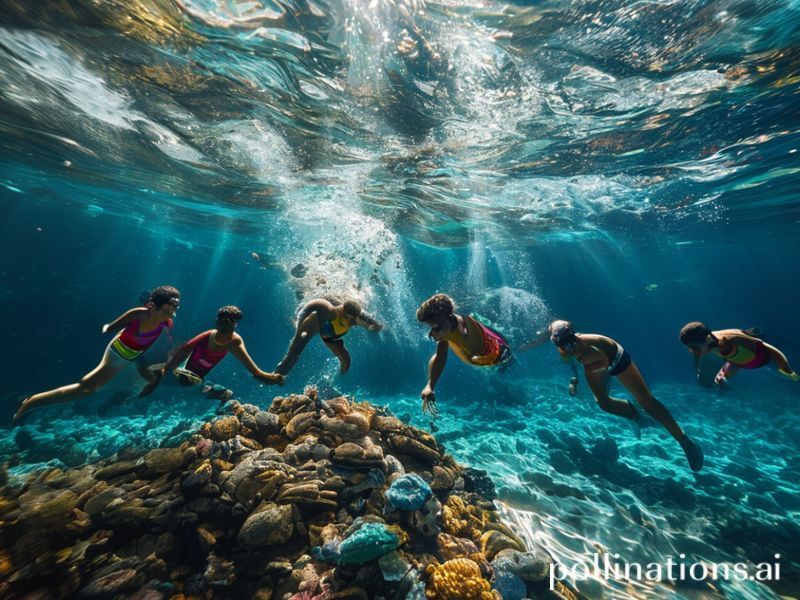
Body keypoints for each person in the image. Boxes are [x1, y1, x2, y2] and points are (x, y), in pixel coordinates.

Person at [548, 320, 704, 472]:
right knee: (604, 403)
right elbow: (562, 334)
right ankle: (639, 417)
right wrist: (575, 377)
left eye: (570, 343)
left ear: (573, 337)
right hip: (593, 364)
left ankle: (685, 441)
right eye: (563, 345)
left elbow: (602, 362)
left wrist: (587, 371)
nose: (569, 347)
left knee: (646, 399)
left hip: (616, 358)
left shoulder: (588, 348)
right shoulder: (563, 341)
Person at [13, 285, 181, 423]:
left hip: (135, 353)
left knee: (150, 378)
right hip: (119, 353)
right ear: (153, 306)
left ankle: (123, 396)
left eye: (176, 306)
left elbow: (160, 341)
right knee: (87, 389)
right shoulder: (141, 314)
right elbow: (117, 325)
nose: (174, 310)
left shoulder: (167, 322)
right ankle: (31, 402)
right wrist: (108, 328)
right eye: (170, 306)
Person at [416, 294, 513, 418]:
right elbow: (440, 357)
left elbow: (466, 321)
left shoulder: (465, 324)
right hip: (484, 358)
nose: (430, 334)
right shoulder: (447, 331)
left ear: (445, 319)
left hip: (501, 354)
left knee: (507, 363)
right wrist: (430, 386)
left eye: (434, 328)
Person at [150, 305, 284, 393]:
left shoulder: (234, 343)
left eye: (228, 324)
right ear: (217, 322)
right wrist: (166, 368)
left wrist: (272, 378)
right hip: (182, 372)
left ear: (234, 326)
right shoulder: (209, 335)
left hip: (195, 380)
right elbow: (185, 349)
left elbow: (255, 372)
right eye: (222, 323)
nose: (224, 328)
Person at [275, 298, 383, 376]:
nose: (353, 321)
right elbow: (310, 306)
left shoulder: (357, 316)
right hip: (314, 323)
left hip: (330, 332)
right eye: (350, 318)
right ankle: (277, 374)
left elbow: (375, 325)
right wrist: (298, 325)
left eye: (354, 318)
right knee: (292, 355)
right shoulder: (327, 310)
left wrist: (374, 327)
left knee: (344, 356)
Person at [679, 321, 799, 387]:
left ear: (706, 339)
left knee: (791, 377)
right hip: (742, 360)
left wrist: (787, 369)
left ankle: (756, 332)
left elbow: (773, 351)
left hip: (765, 358)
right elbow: (732, 361)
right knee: (725, 373)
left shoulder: (732, 339)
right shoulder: (705, 346)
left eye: (694, 347)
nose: (692, 351)